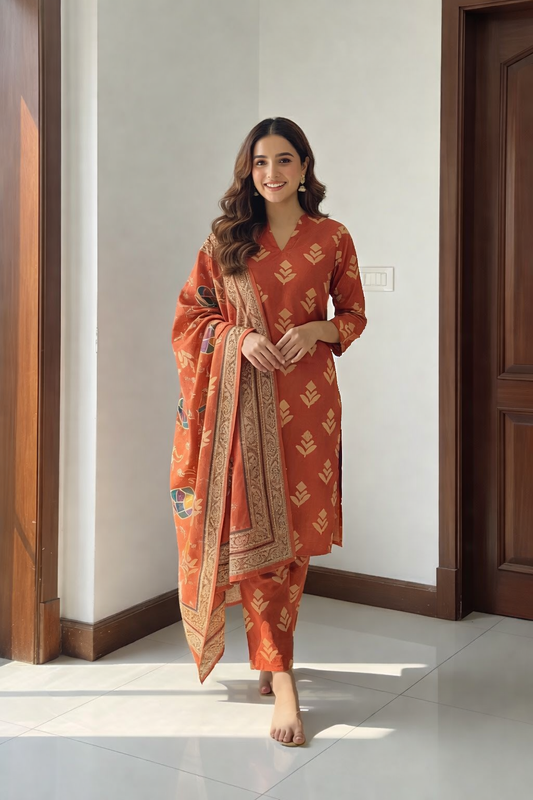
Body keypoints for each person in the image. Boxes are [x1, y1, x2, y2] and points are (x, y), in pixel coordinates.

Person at [170, 116, 367, 747]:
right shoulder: (228, 240)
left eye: (284, 161)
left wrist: (318, 330)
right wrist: (240, 336)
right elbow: (190, 315)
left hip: (309, 407)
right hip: (240, 411)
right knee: (257, 539)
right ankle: (283, 682)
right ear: (247, 171)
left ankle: (271, 650)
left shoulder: (332, 238)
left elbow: (355, 315)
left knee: (295, 541)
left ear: (305, 167)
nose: (272, 174)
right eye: (260, 163)